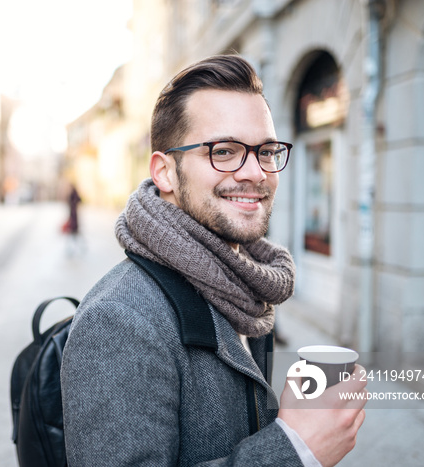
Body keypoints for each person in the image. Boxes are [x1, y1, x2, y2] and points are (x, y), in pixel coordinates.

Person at [60, 55, 367, 466]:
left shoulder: (246, 292)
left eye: (266, 151)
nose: (256, 173)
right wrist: (295, 449)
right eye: (224, 151)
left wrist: (295, 422)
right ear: (165, 172)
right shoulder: (119, 319)